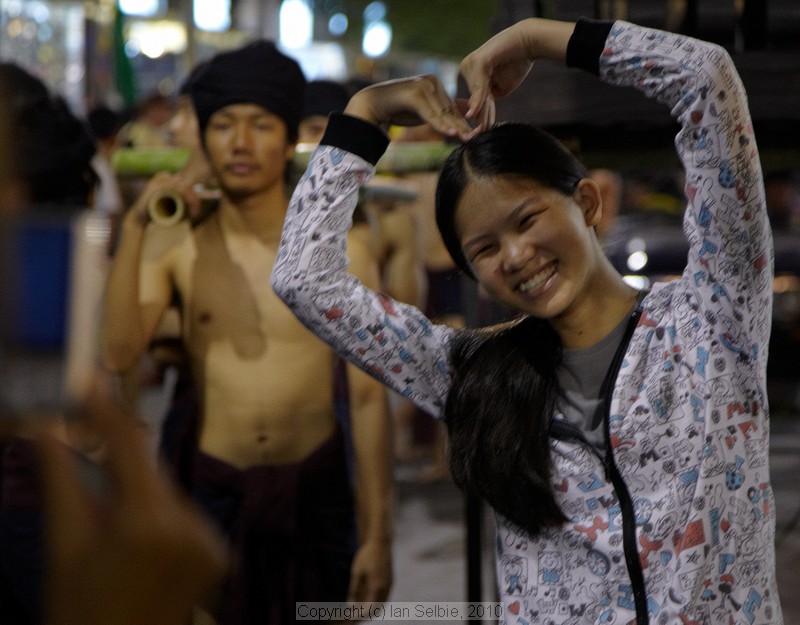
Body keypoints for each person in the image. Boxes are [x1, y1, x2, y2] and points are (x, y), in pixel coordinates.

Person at [272, 16, 782, 625]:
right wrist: (366, 112)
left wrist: (538, 39)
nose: (514, 257)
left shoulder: (712, 319)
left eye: (527, 219)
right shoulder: (471, 372)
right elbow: (303, 278)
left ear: (587, 203)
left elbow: (706, 79)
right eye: (484, 250)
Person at [101, 40, 392, 624]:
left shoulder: (341, 247)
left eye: (260, 125)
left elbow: (366, 396)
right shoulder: (178, 243)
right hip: (214, 489)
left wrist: (379, 533)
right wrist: (137, 225)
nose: (240, 142)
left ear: (288, 141)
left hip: (317, 488)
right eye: (224, 125)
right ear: (203, 140)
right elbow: (120, 350)